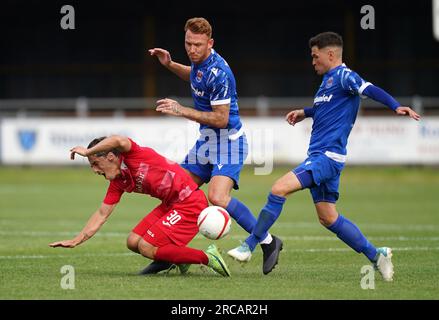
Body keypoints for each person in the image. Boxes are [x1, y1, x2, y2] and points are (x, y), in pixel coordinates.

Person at [228, 31, 420, 278]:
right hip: (325, 157)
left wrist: (395, 105)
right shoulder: (328, 81)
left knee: (278, 189)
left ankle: (249, 245)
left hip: (326, 157)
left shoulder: (344, 76)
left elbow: (369, 88)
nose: (313, 61)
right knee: (328, 217)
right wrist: (305, 112)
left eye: (315, 56)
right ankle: (376, 255)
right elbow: (326, 109)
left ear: (330, 54)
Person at [148, 17, 277, 272]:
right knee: (176, 193)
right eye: (188, 43)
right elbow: (194, 76)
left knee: (217, 197)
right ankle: (171, 255)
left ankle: (268, 241)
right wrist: (171, 64)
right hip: (206, 143)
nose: (192, 49)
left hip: (228, 142)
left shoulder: (219, 73)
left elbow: (221, 118)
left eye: (197, 45)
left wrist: (182, 110)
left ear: (210, 43)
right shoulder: (199, 63)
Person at [49, 135, 231, 277]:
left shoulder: (133, 154)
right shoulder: (118, 181)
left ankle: (208, 257)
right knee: (133, 242)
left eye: (95, 163)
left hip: (189, 202)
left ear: (111, 156)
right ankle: (180, 257)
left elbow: (117, 140)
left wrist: (88, 152)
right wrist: (77, 239)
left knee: (146, 246)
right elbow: (102, 213)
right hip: (171, 204)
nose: (95, 170)